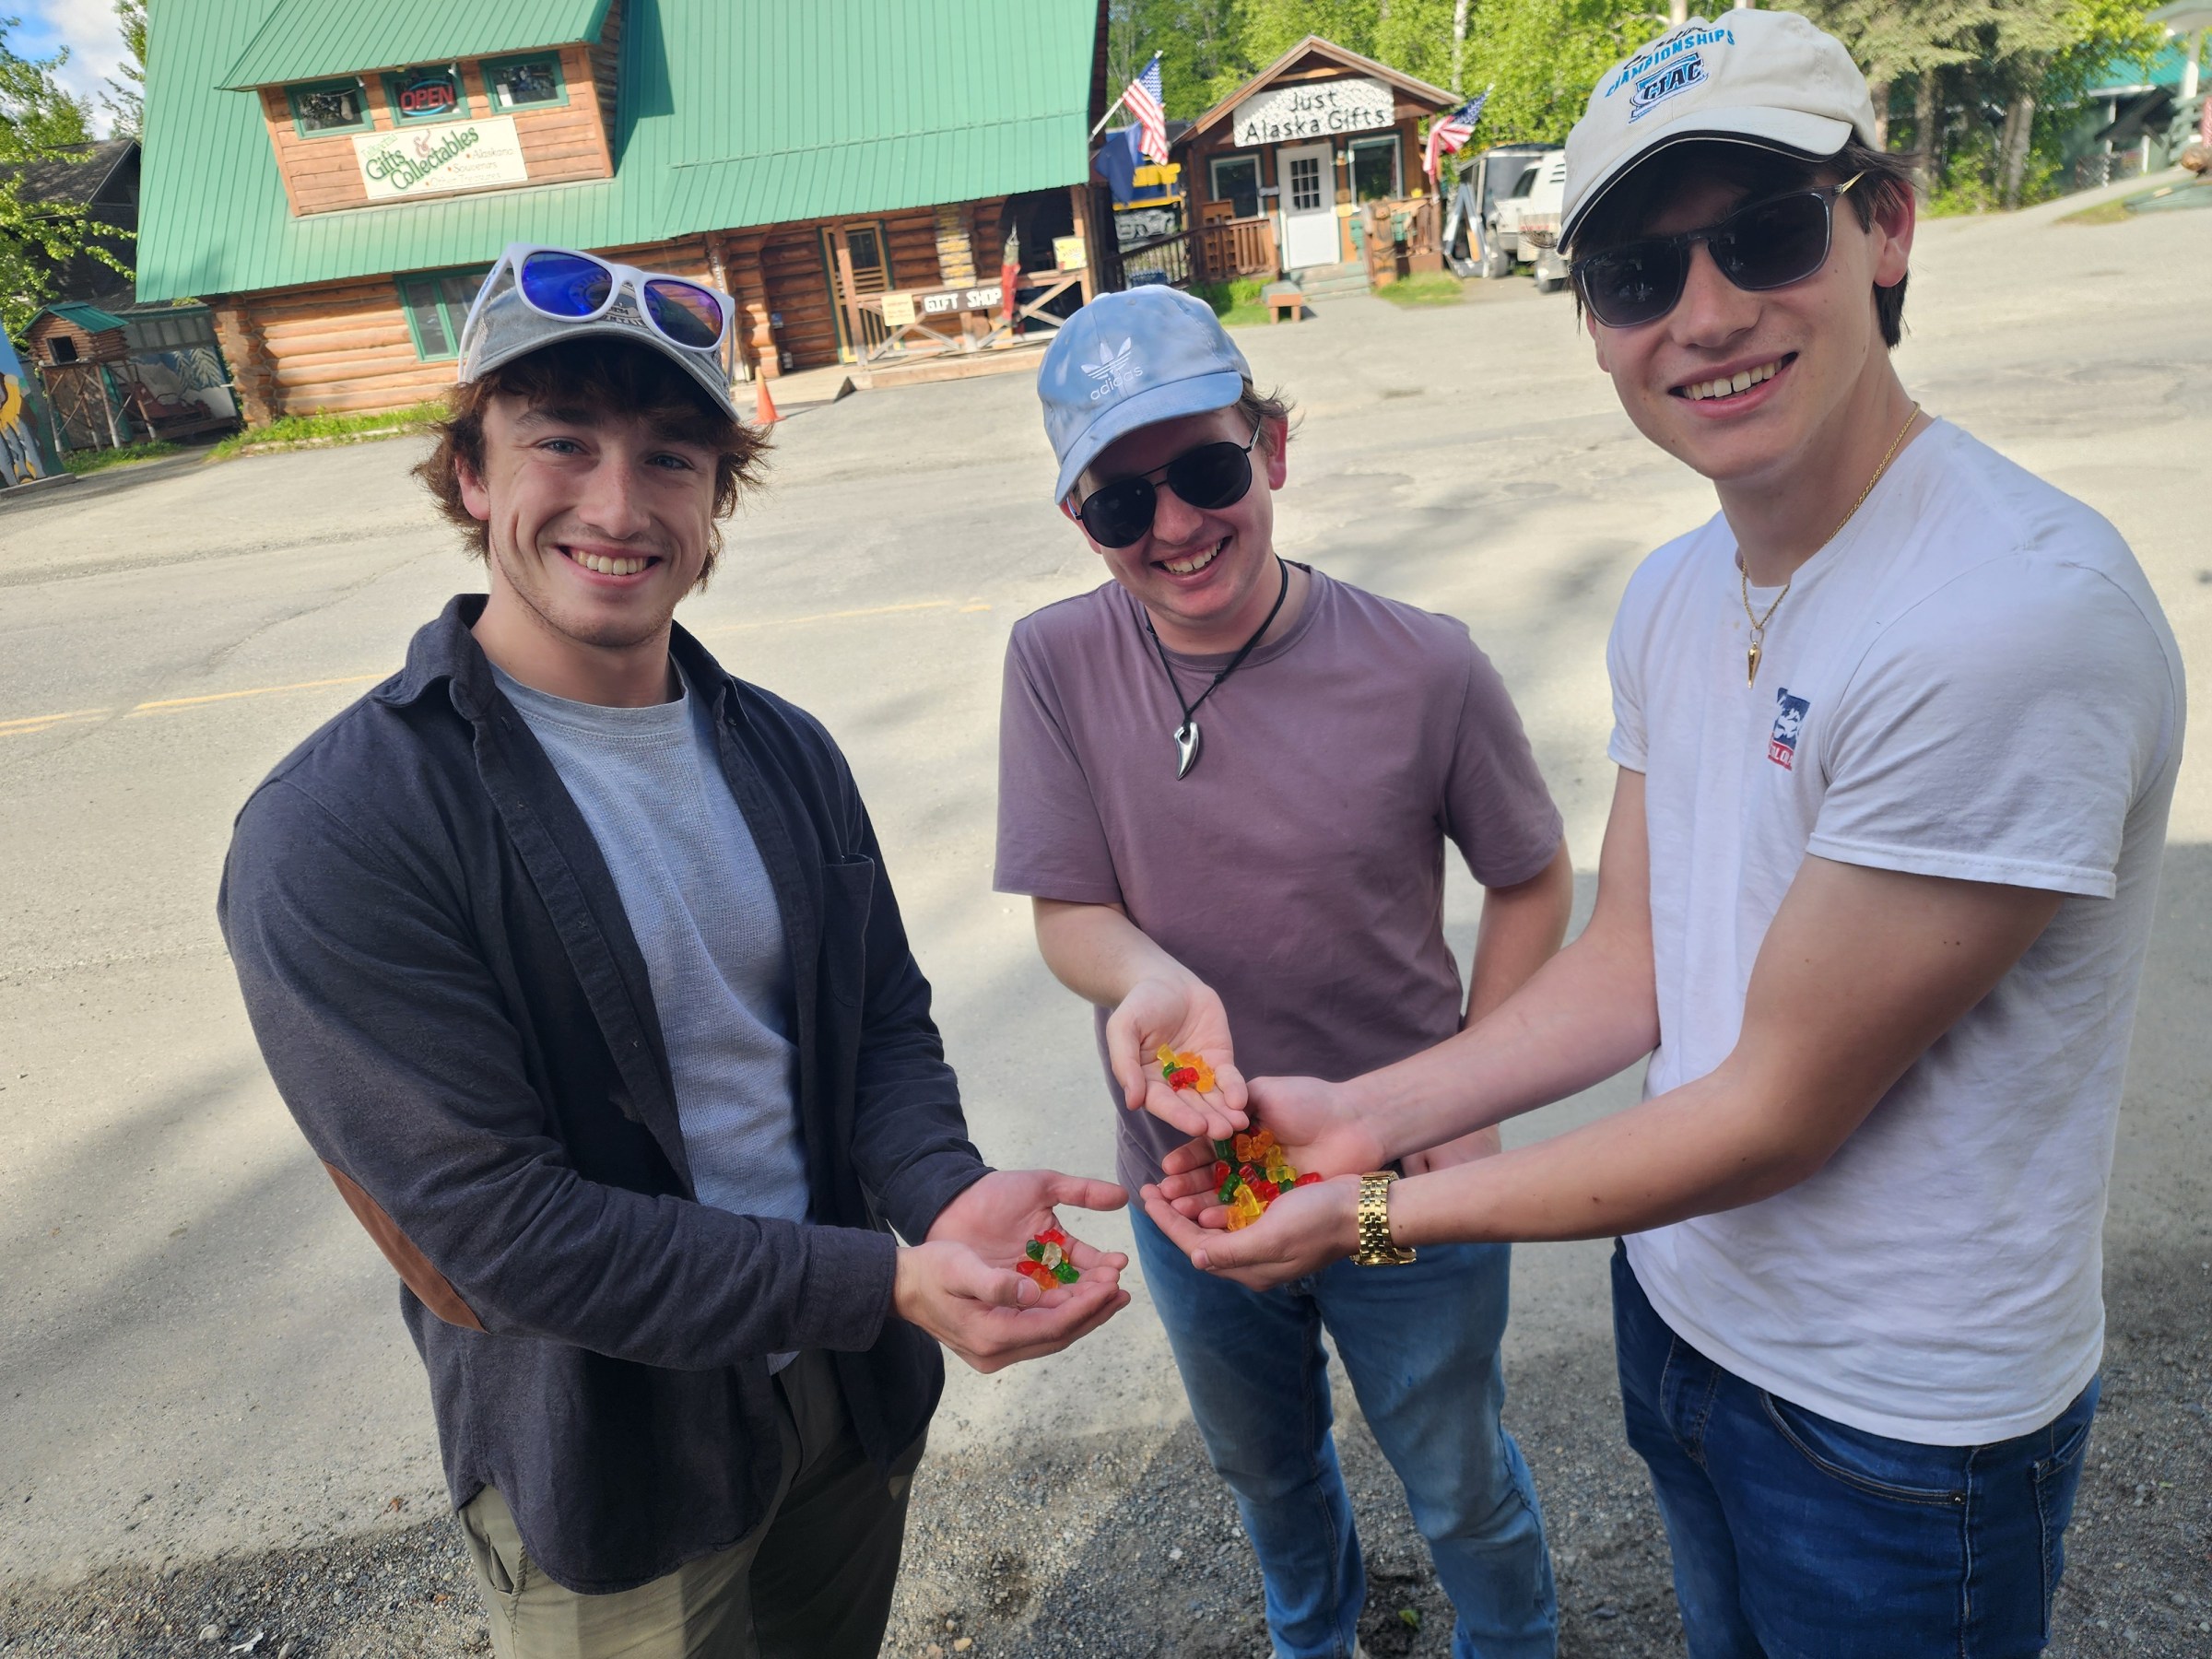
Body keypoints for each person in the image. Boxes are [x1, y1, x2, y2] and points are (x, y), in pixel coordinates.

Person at [1143, 14, 2185, 1656]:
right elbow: (1634, 954)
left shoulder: (2008, 617)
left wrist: (1365, 1217)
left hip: (1900, 1424)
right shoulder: (1680, 589)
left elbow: (1775, 1109)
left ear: (1886, 225)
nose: (1703, 316)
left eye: (1763, 236)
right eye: (1635, 273)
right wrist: (1356, 1114)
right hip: (1690, 1322)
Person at [218, 245, 1129, 1659]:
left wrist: (943, 1198)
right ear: (471, 475)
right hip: (609, 1452)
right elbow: (504, 1236)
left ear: (718, 505)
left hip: (837, 1393)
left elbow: (878, 1025)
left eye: (672, 457)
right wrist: (882, 1279)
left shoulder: (785, 750)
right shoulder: (340, 828)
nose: (617, 504)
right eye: (561, 444)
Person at [996, 285, 1575, 1659]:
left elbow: (1534, 879)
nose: (1179, 527)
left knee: (1451, 1469)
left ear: (1273, 445)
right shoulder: (1055, 661)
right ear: (1079, 519)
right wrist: (1146, 977)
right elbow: (1069, 911)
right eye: (1122, 503)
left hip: (1392, 1190)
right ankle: (1312, 1642)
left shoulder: (1423, 665)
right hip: (1199, 1199)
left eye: (1205, 470)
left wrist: (1466, 1103)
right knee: (1266, 1470)